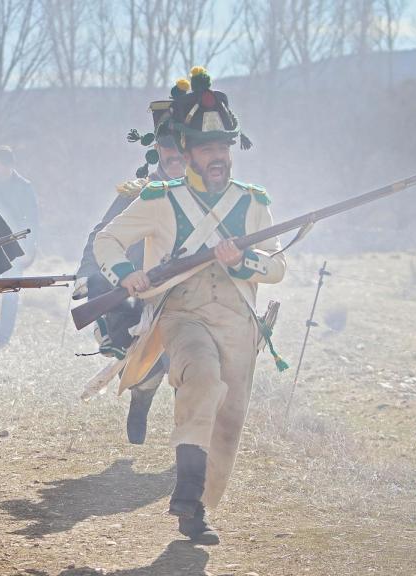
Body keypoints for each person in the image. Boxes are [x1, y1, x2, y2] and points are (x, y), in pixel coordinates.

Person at [92, 68, 283, 544]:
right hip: (183, 315)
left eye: (223, 148)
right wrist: (126, 275)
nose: (217, 157)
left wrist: (243, 261)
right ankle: (185, 497)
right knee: (199, 376)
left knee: (228, 418)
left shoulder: (252, 202)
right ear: (190, 152)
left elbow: (276, 268)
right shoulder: (161, 199)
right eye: (206, 148)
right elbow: (108, 239)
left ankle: (197, 507)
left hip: (239, 321)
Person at [74, 85, 188, 445]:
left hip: (192, 290)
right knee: (148, 368)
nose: (176, 155)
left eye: (183, 147)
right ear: (158, 150)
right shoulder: (137, 192)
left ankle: (190, 441)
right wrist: (88, 277)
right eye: (169, 148)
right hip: (142, 292)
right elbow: (101, 236)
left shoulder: (209, 196)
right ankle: (141, 400)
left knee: (191, 366)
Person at [0, 145, 38, 347]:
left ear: (9, 165)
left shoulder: (25, 187)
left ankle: (4, 336)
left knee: (11, 293)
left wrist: (31, 249)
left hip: (16, 247)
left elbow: (32, 220)